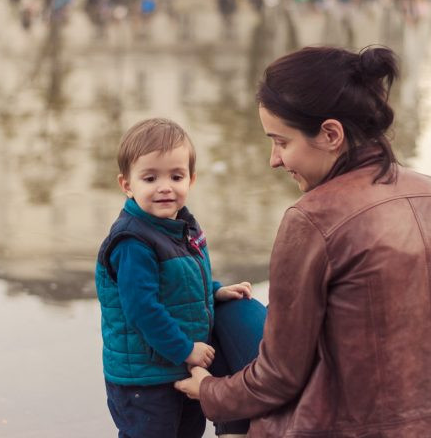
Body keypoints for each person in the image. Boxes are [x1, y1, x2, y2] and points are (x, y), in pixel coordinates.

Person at [175, 45, 431, 437]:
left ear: (331, 134)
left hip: (342, 425)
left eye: (281, 141)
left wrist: (209, 390)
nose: (274, 160)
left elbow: (279, 377)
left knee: (226, 315)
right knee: (237, 308)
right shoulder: (425, 189)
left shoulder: (314, 218)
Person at [94, 117, 256, 438]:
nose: (165, 186)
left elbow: (178, 284)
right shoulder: (132, 242)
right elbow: (143, 310)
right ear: (127, 185)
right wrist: (185, 350)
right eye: (150, 177)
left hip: (178, 368)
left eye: (176, 176)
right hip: (144, 378)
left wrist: (216, 291)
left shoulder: (181, 224)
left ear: (191, 180)